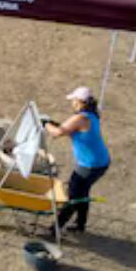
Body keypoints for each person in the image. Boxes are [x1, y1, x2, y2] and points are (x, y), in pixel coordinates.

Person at [43, 86, 109, 235]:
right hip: (99, 162)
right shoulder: (91, 115)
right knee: (82, 192)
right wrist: (51, 122)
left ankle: (55, 229)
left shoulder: (80, 118)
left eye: (74, 99)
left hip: (90, 164)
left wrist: (45, 124)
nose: (72, 102)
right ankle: (80, 225)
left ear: (80, 101)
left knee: (73, 195)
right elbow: (67, 128)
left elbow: (58, 132)